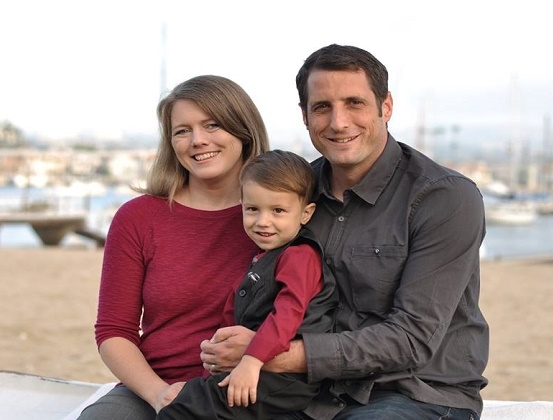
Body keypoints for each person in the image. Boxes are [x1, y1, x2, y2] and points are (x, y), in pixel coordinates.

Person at [200, 44, 489, 420]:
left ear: (386, 106)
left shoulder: (444, 197)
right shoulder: (293, 194)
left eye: (354, 103)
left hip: (413, 392)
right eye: (322, 107)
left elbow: (412, 339)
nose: (338, 122)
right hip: (310, 394)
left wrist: (267, 354)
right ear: (305, 116)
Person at [77, 74, 270, 419]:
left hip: (249, 388)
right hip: (153, 387)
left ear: (243, 130)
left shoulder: (278, 218)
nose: (197, 140)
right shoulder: (138, 218)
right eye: (182, 131)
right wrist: (160, 394)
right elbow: (114, 331)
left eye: (212, 125)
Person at [158, 149, 337, 419]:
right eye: (253, 209)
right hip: (255, 370)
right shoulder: (261, 259)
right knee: (190, 398)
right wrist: (215, 358)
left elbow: (287, 315)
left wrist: (252, 361)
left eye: (278, 211)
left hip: (285, 380)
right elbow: (233, 317)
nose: (263, 222)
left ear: (305, 213)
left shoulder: (300, 256)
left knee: (183, 410)